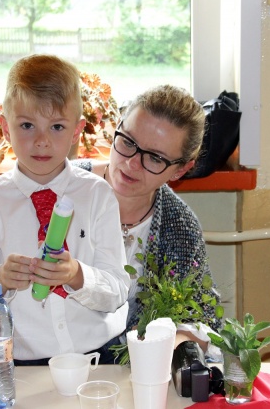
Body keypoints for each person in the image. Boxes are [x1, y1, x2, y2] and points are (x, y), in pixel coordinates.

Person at [0, 54, 129, 385]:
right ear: (5, 128)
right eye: (27, 125)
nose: (41, 141)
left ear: (76, 131)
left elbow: (118, 291)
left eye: (57, 127)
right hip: (21, 366)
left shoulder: (98, 195)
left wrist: (77, 274)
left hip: (100, 359)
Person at [77, 84, 222, 354]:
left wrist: (173, 336)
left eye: (155, 158)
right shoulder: (61, 186)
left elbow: (205, 319)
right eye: (128, 142)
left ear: (180, 170)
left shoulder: (179, 228)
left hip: (127, 369)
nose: (132, 163)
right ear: (117, 126)